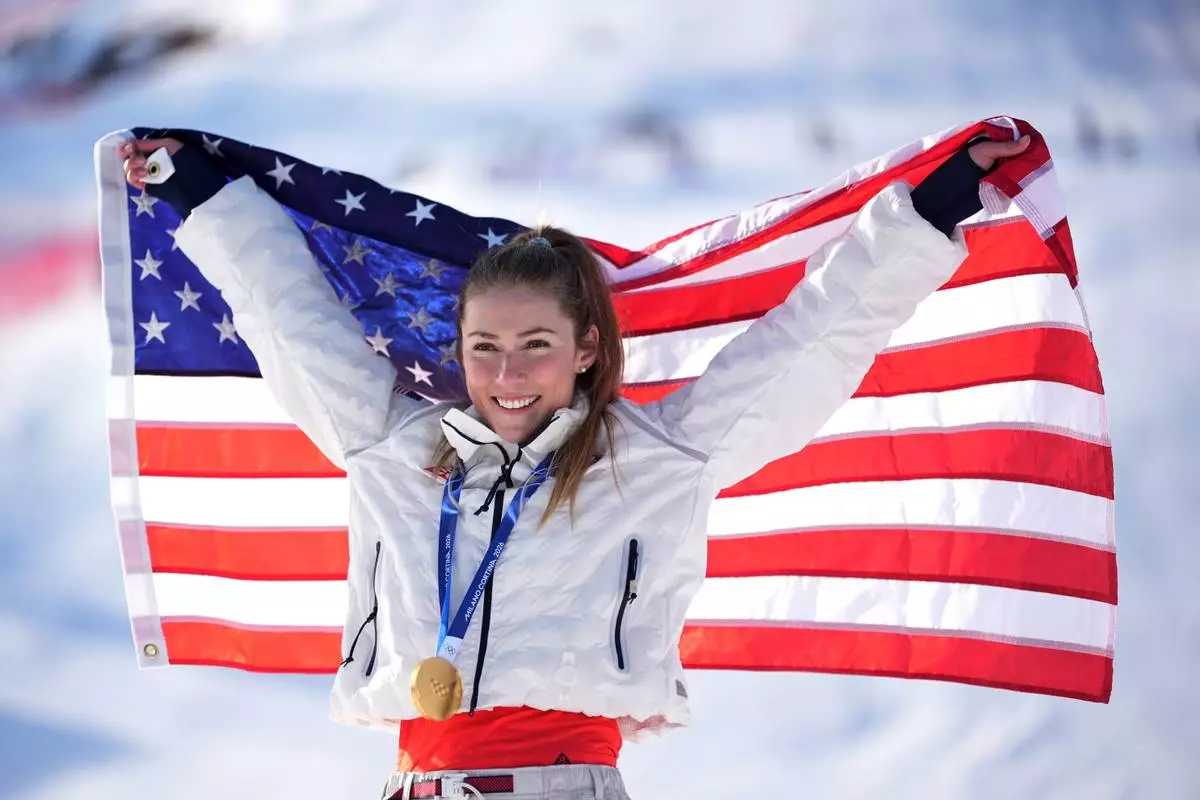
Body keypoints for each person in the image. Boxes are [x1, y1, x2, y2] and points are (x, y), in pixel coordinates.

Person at [121, 130, 1030, 800]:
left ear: (586, 349)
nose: (507, 375)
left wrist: (932, 209)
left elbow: (811, 340)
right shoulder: (390, 448)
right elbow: (292, 320)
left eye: (535, 346)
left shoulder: (661, 457)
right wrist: (199, 192)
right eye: (485, 348)